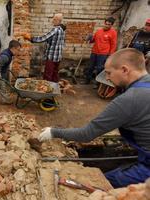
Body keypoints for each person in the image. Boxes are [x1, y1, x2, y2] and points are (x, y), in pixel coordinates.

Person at [38, 48, 150, 188]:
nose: (107, 78)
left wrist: (53, 132)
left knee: (101, 184)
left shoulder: (129, 100)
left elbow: (87, 134)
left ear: (124, 70)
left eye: (109, 73)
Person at [24, 13, 65, 82]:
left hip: (52, 57)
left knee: (47, 76)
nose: (52, 20)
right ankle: (54, 90)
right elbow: (56, 41)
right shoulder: (62, 30)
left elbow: (43, 38)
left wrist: (31, 39)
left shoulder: (55, 30)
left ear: (58, 21)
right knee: (54, 75)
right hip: (58, 57)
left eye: (54, 19)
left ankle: (47, 91)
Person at [83, 17, 117, 87]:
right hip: (94, 52)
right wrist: (89, 38)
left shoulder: (113, 33)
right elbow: (93, 40)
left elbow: (113, 44)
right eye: (106, 24)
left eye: (109, 24)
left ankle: (97, 83)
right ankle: (87, 80)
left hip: (103, 54)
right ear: (104, 23)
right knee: (90, 67)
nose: (107, 25)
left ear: (111, 25)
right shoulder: (99, 31)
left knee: (99, 68)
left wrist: (110, 55)